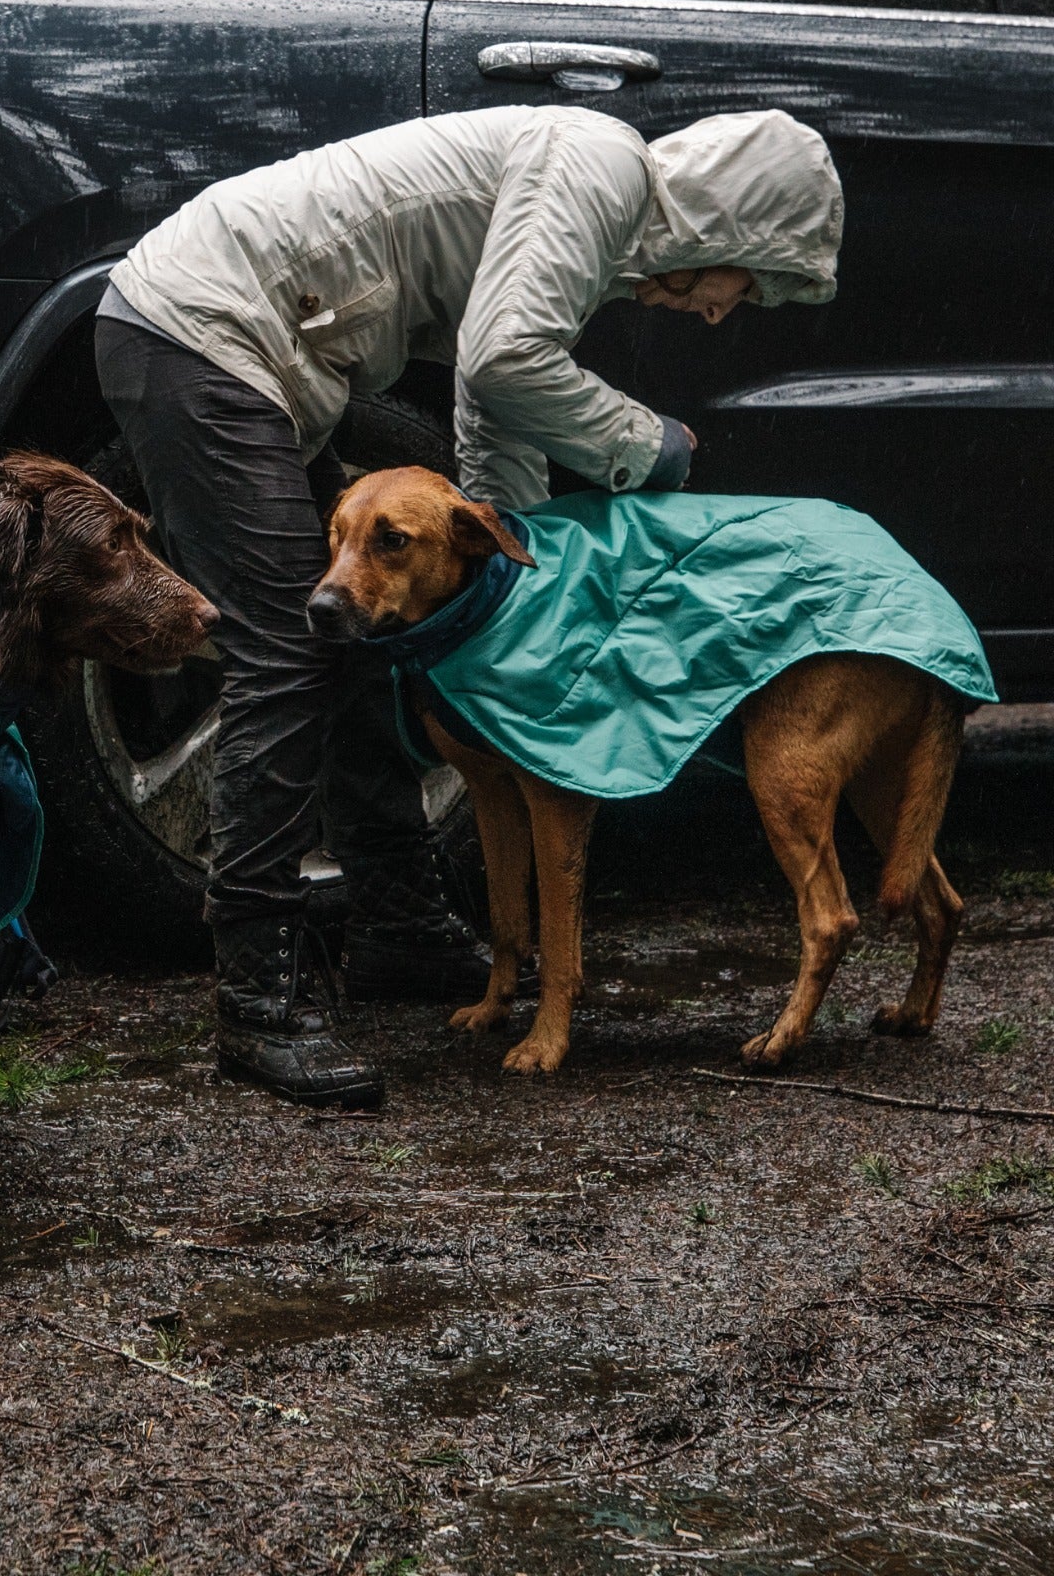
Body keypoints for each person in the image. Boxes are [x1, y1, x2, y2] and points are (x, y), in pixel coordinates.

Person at [97, 105, 844, 1108]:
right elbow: (503, 361)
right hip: (197, 332)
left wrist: (529, 572)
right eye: (743, 283)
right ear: (727, 225)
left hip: (237, 347)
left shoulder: (594, 212)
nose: (718, 310)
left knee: (357, 633)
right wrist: (643, 444)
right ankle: (257, 1000)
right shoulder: (598, 166)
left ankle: (399, 928)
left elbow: (490, 403)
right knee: (287, 646)